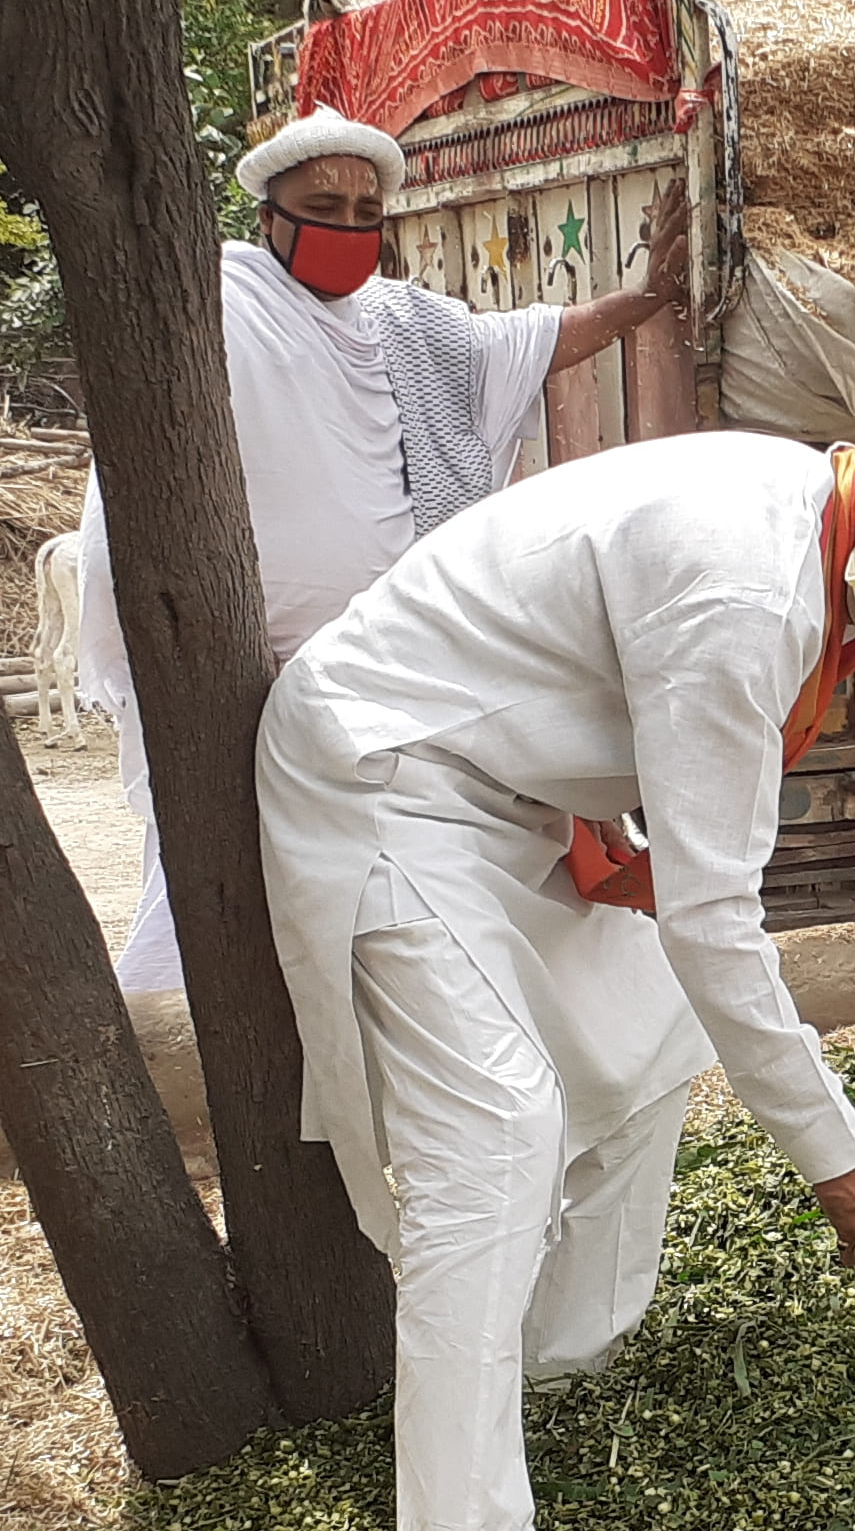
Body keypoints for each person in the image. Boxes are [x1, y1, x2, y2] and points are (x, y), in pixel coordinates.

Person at [255, 408, 855, 1531]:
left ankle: (559, 1382)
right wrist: (841, 1158)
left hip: (521, 802)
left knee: (642, 1051)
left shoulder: (812, 542)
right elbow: (713, 922)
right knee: (497, 1131)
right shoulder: (746, 590)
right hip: (392, 777)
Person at [78, 104, 690, 990]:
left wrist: (645, 298)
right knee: (243, 872)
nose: (350, 228)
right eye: (324, 207)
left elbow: (527, 341)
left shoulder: (402, 320)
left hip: (392, 679)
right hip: (240, 671)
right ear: (269, 217)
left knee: (418, 879)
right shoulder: (217, 299)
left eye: (369, 214)